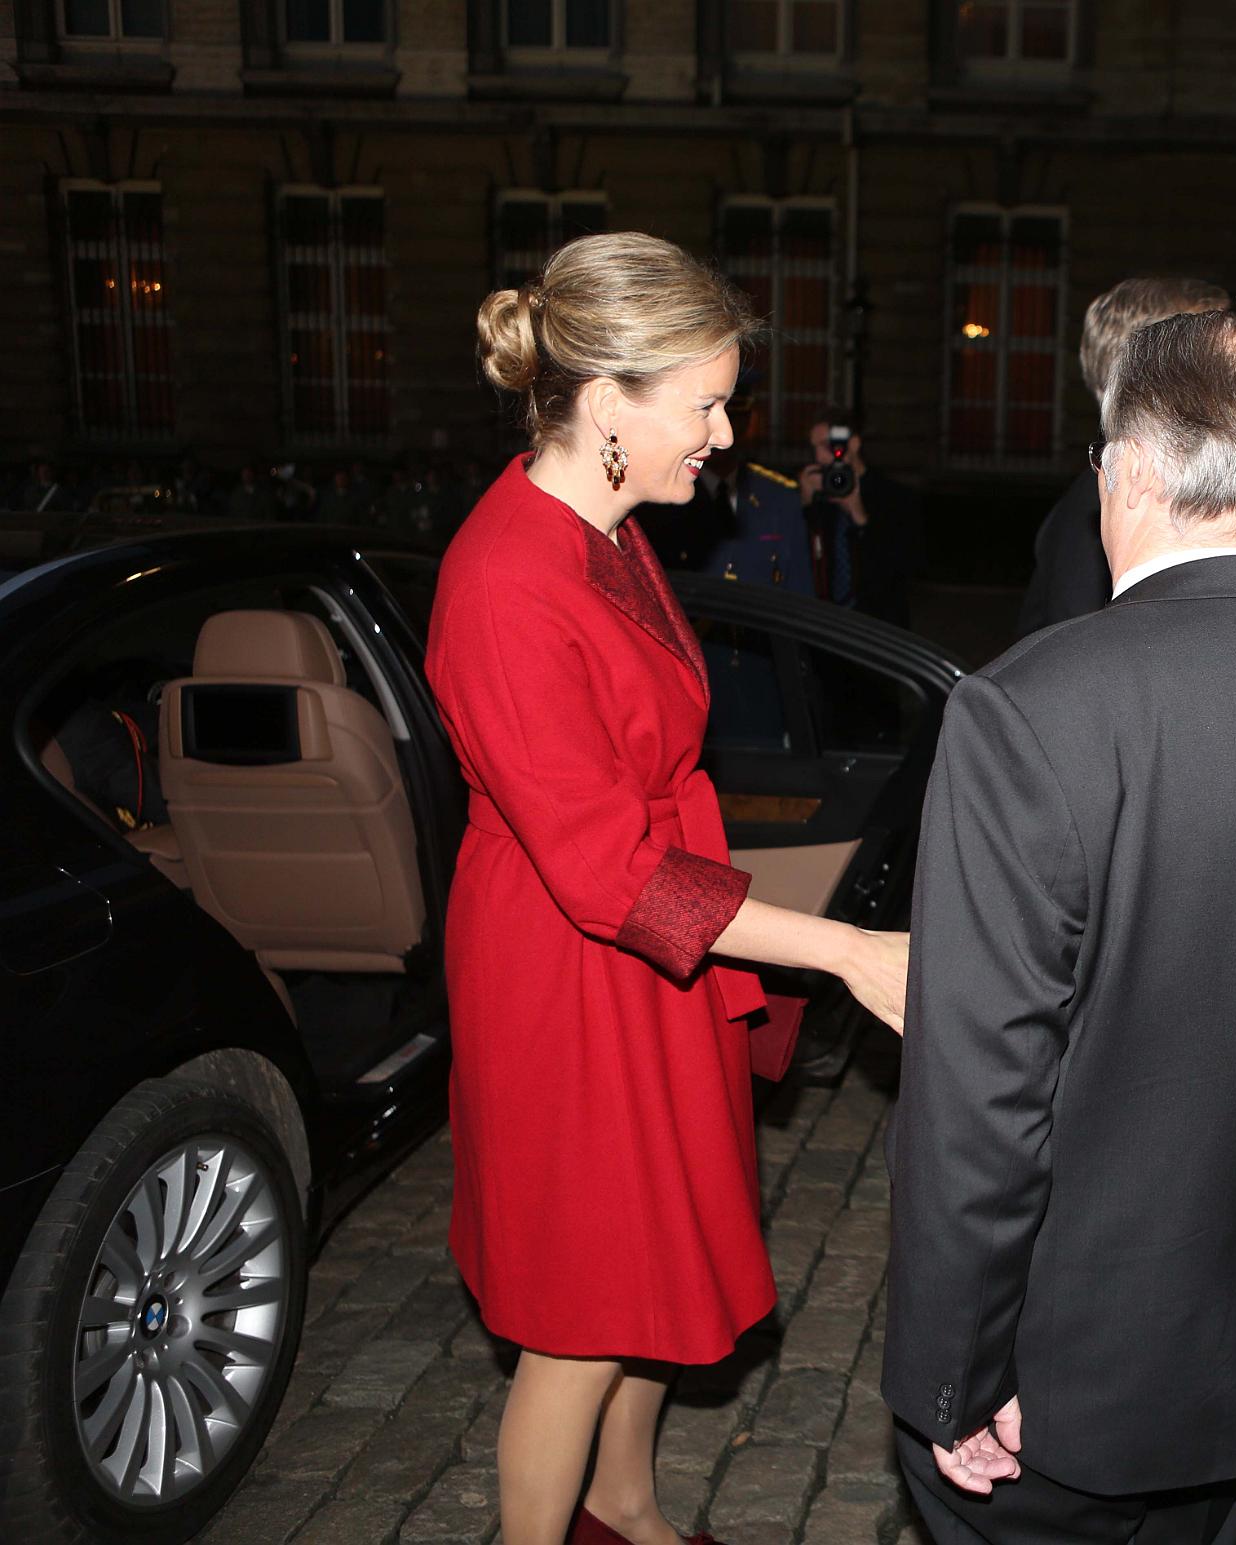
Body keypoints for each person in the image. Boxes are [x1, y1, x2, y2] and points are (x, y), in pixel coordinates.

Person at [884, 310, 1236, 1544]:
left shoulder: (1029, 710)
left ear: (1130, 468)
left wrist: (956, 1370)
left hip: (1056, 1378)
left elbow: (980, 1094)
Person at [426, 232, 909, 1545]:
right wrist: (847, 953)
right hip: (574, 967)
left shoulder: (606, 526)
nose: (725, 428)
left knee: (648, 1267)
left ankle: (624, 1510)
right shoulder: (508, 578)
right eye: (700, 400)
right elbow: (602, 864)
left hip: (644, 948)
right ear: (604, 402)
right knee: (582, 1311)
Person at [1015, 276, 1232, 637]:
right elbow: (1078, 662)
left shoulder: (1163, 490)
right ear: (1142, 373)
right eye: (1208, 360)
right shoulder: (1099, 509)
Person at [643, 379, 813, 596]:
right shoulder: (666, 495)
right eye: (708, 416)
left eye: (735, 419)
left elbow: (800, 591)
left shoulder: (779, 497)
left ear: (749, 422)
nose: (725, 434)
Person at [798, 407, 924, 628]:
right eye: (814, 448)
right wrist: (806, 503)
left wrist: (859, 517)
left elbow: (902, 568)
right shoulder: (816, 493)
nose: (819, 457)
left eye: (828, 446)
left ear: (854, 444)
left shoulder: (894, 496)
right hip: (825, 625)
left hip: (878, 627)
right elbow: (801, 561)